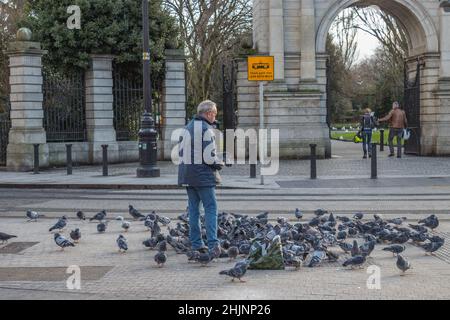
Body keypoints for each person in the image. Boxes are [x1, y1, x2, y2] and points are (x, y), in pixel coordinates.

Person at [178, 100, 223, 254]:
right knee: (211, 208)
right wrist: (221, 163)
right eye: (214, 114)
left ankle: (196, 243)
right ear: (209, 113)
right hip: (203, 176)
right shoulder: (206, 129)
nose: (214, 117)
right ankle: (213, 244)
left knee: (193, 210)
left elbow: (181, 153)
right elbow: (210, 158)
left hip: (188, 176)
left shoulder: (186, 128)